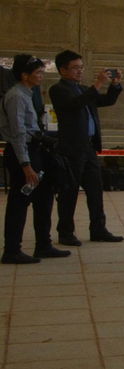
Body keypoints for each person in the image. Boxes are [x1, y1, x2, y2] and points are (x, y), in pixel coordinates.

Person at [49, 50, 124, 246]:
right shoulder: (58, 90)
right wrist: (97, 84)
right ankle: (65, 232)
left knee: (95, 190)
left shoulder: (83, 89)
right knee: (69, 192)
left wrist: (114, 85)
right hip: (71, 149)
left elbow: (106, 100)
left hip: (89, 147)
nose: (79, 71)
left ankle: (98, 228)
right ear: (62, 70)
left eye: (81, 67)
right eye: (75, 68)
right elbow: (74, 105)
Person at [3, 55, 70, 264]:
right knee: (20, 201)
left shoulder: (29, 93)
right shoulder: (16, 96)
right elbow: (18, 133)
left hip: (36, 151)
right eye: (38, 73)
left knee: (44, 198)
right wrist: (26, 165)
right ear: (24, 75)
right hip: (23, 154)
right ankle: (12, 250)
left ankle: (44, 244)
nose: (42, 76)